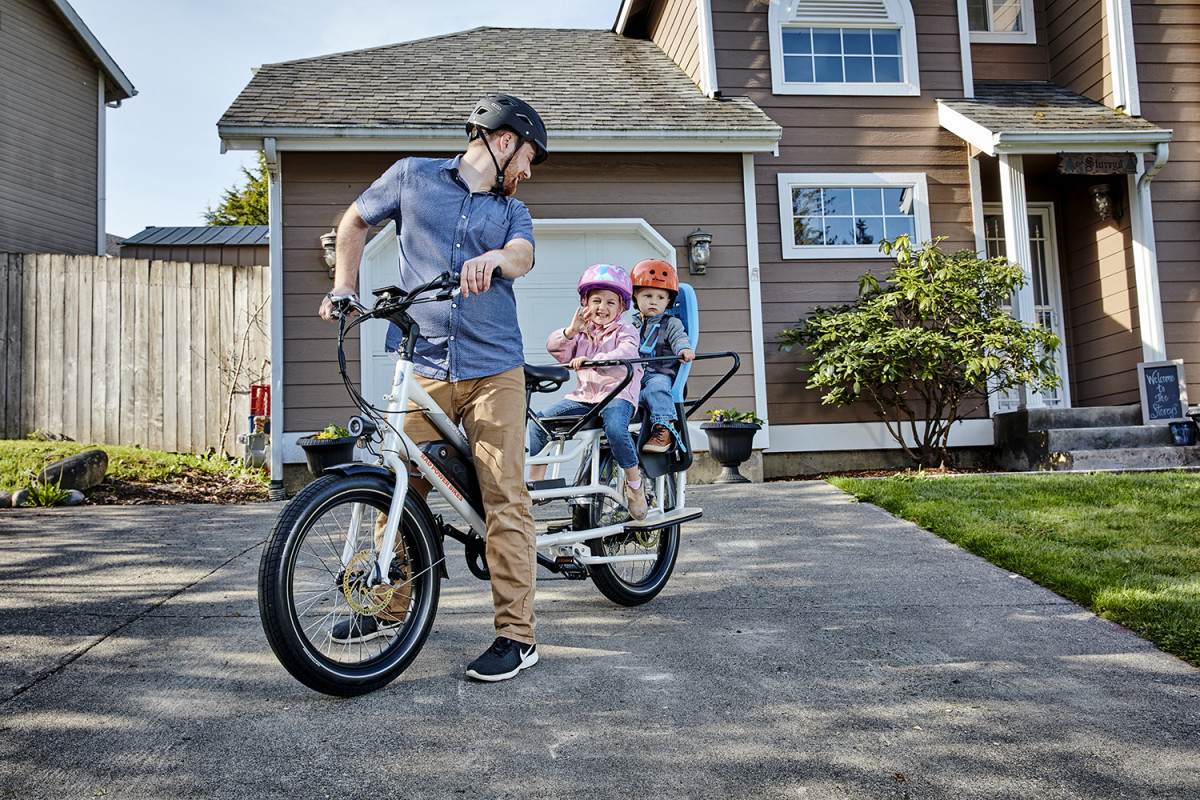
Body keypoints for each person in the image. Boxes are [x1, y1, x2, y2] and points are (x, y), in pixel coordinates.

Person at [317, 94, 548, 682]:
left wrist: (495, 257)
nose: (527, 172)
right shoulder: (413, 177)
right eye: (527, 157)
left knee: (503, 497)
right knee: (401, 484)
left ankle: (517, 638)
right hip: (422, 363)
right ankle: (390, 606)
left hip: (495, 368)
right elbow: (354, 221)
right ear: (503, 141)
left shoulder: (510, 212)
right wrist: (346, 285)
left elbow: (523, 255)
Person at [526, 264, 648, 520]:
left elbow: (626, 353)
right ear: (585, 303)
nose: (602, 308)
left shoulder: (626, 330)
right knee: (540, 421)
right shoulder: (582, 332)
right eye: (596, 301)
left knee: (616, 429)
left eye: (610, 302)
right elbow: (556, 350)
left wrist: (596, 360)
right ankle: (537, 483)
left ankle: (635, 486)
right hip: (586, 397)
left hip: (618, 395)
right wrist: (571, 331)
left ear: (621, 307)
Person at [630, 259, 695, 454]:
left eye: (660, 297)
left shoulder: (671, 323)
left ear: (668, 301)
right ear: (635, 297)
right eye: (647, 295)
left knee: (655, 388)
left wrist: (684, 349)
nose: (653, 301)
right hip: (635, 374)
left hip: (660, 373)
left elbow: (679, 338)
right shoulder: (631, 325)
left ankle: (664, 427)